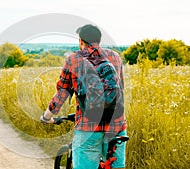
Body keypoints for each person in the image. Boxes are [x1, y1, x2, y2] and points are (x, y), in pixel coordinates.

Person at [40, 24, 127, 169]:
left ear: (81, 41)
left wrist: (47, 116)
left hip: (89, 127)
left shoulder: (74, 59)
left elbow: (62, 93)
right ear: (98, 40)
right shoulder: (115, 57)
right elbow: (120, 90)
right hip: (117, 125)